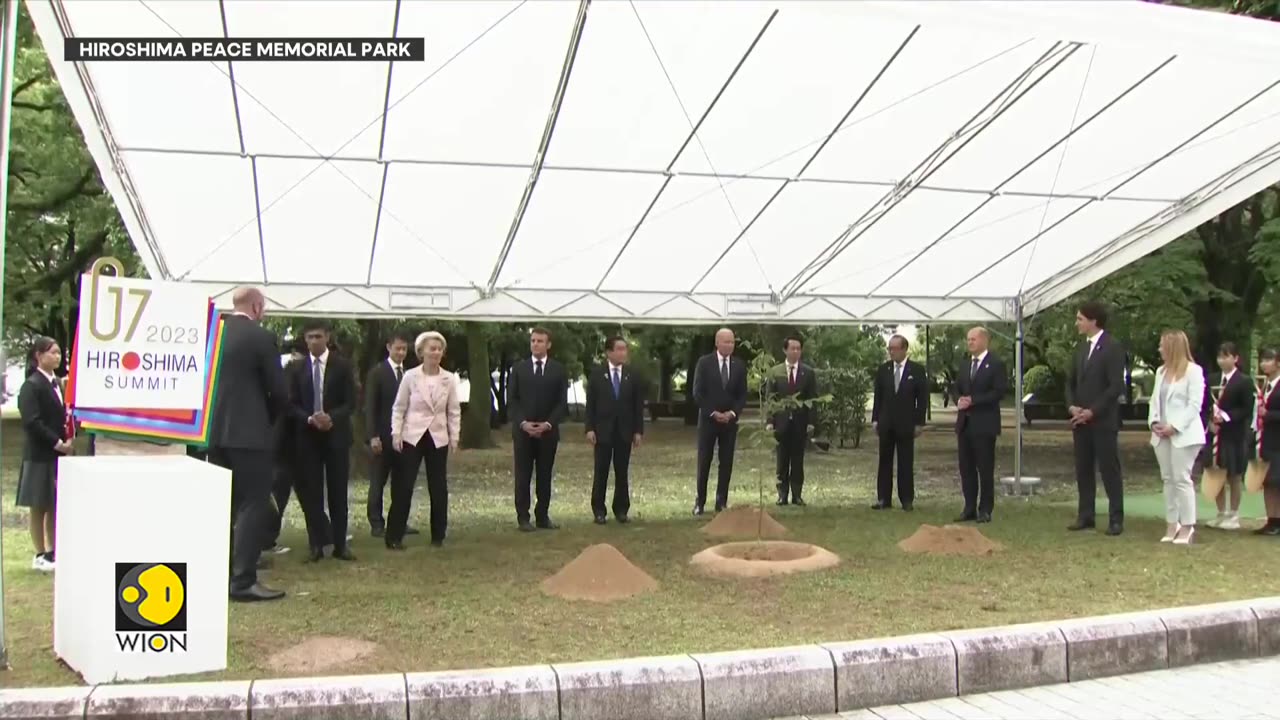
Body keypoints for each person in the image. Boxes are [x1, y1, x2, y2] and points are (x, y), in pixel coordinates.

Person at [207, 287, 289, 602]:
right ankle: (242, 580)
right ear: (256, 306)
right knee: (253, 502)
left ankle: (222, 570)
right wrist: (267, 420)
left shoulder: (214, 335)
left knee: (225, 503)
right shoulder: (260, 337)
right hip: (249, 433)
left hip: (214, 433)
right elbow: (278, 392)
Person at [290, 320, 358, 562]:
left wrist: (331, 417)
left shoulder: (342, 365)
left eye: (318, 336)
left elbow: (351, 401)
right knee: (312, 493)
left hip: (336, 437)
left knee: (338, 491)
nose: (313, 341)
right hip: (308, 438)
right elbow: (291, 404)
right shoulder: (297, 368)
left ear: (327, 337)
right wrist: (310, 419)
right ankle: (316, 545)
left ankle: (340, 545)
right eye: (309, 337)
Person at [389, 331, 461, 548]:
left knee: (438, 487)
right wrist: (396, 433)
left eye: (439, 349)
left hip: (438, 437)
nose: (436, 352)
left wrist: (454, 436)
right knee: (404, 486)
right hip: (413, 435)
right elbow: (399, 407)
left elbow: (454, 411)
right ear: (421, 352)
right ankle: (394, 536)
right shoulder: (410, 376)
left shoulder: (449, 379)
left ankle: (438, 535)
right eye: (432, 348)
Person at [1065, 301, 1127, 536]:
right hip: (1079, 421)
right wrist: (1072, 407)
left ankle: (1116, 518)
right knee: (1083, 469)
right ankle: (1086, 515)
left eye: (1080, 318)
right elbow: (1070, 382)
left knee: (1109, 470)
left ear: (1093, 320)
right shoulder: (1080, 349)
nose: (1077, 323)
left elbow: (1115, 387)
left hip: (1103, 421)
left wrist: (1093, 411)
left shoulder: (1112, 347)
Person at [16, 337, 71, 573]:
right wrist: (57, 442)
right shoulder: (31, 385)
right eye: (52, 353)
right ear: (39, 356)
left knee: (53, 504)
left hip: (58, 455)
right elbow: (32, 421)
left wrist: (68, 438)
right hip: (40, 454)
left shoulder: (57, 383)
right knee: (38, 505)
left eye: (59, 353)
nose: (57, 357)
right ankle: (39, 553)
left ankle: (53, 551)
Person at [1147, 330, 1205, 545]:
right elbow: (1155, 400)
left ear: (1172, 347)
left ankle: (1188, 526)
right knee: (1168, 479)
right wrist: (1154, 422)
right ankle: (1172, 523)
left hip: (1184, 435)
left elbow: (1194, 405)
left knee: (1181, 478)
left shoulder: (1193, 371)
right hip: (1161, 434)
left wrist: (1175, 426)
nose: (1159, 349)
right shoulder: (1161, 372)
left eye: (1162, 345)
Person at [508, 327, 568, 531]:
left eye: (540, 341)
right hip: (523, 432)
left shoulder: (558, 370)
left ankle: (542, 516)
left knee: (544, 475)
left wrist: (548, 424)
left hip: (548, 433)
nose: (535, 344)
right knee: (523, 475)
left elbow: (562, 403)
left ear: (548, 344)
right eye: (533, 340)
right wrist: (523, 423)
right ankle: (523, 517)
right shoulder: (519, 368)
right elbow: (513, 400)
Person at [584, 336, 645, 524]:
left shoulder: (632, 375)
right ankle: (599, 510)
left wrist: (637, 431)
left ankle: (621, 509)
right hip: (603, 430)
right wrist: (589, 428)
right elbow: (590, 405)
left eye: (624, 349)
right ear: (608, 352)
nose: (623, 353)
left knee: (622, 471)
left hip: (624, 431)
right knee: (601, 470)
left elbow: (637, 405)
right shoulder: (597, 374)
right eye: (618, 349)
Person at [953, 327, 1007, 524]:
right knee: (966, 468)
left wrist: (974, 400)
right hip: (965, 424)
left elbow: (999, 391)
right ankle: (969, 507)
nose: (970, 343)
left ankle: (985, 509)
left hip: (984, 424)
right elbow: (956, 388)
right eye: (968, 339)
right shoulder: (965, 365)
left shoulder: (996, 364)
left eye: (973, 339)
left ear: (984, 340)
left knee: (984, 468)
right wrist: (959, 399)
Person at [692, 328, 748, 515]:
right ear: (717, 343)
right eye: (726, 342)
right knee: (704, 461)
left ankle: (721, 501)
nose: (729, 345)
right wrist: (713, 413)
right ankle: (700, 502)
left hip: (729, 422)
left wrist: (732, 413)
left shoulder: (739, 365)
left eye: (732, 342)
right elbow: (698, 393)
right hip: (709, 421)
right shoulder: (704, 363)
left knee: (726, 462)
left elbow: (742, 395)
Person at [870, 334, 928, 511]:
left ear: (904, 349)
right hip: (886, 423)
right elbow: (878, 397)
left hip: (906, 424)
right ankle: (883, 499)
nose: (891, 352)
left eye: (894, 348)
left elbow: (922, 399)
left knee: (905, 462)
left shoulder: (916, 370)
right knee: (884, 461)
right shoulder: (884, 370)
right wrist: (875, 419)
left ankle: (907, 499)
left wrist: (919, 423)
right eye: (889, 348)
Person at [365, 332, 414, 538]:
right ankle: (376, 523)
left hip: (404, 437)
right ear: (389, 347)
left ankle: (399, 521)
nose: (401, 352)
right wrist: (373, 435)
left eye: (404, 349)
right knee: (378, 482)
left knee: (402, 482)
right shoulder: (378, 372)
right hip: (383, 437)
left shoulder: (410, 374)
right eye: (398, 348)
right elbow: (370, 406)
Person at [765, 335, 817, 506]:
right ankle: (782, 494)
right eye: (792, 348)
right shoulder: (775, 372)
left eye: (798, 348)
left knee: (797, 460)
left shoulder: (808, 372)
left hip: (800, 423)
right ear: (785, 350)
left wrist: (811, 422)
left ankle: (797, 494)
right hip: (781, 423)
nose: (795, 351)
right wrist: (770, 421)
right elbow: (770, 399)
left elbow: (812, 399)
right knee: (782, 460)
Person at [1207, 342, 1253, 530]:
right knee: (1216, 472)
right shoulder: (1212, 379)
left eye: (1226, 356)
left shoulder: (1244, 381)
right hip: (1215, 434)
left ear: (1235, 358)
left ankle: (1234, 514)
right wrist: (1210, 421)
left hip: (1234, 434)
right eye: (1219, 356)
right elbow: (1205, 405)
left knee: (1234, 475)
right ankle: (1221, 513)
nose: (1222, 360)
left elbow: (1246, 409)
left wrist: (1225, 417)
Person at [1253, 348, 1280, 536]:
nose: (1264, 364)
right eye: (1263, 360)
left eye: (1269, 360)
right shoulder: (1263, 385)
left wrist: (1268, 415)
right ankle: (1272, 520)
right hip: (1265, 440)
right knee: (1268, 482)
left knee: (1278, 481)